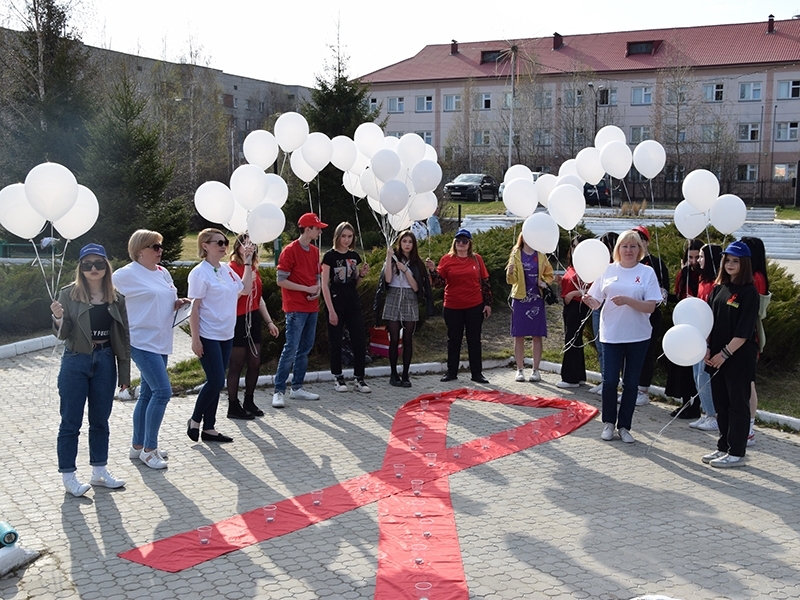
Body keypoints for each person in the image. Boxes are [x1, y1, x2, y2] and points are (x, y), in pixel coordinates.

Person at [51, 243, 130, 496]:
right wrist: (58, 318)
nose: (93, 269)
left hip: (105, 360)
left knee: (100, 421)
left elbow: (123, 337)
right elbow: (63, 334)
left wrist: (125, 374)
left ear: (106, 267)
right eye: (87, 265)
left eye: (98, 264)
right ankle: (69, 476)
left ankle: (99, 471)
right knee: (70, 421)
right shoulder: (68, 294)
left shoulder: (117, 298)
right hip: (76, 360)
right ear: (81, 268)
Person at [113, 230, 188, 469]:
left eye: (160, 246)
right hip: (140, 340)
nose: (160, 250)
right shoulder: (125, 275)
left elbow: (165, 297)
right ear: (139, 251)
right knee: (162, 392)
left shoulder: (163, 273)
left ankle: (138, 446)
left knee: (147, 394)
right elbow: (102, 296)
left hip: (161, 339)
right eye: (155, 247)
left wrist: (177, 303)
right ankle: (149, 450)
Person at [583, 230, 662, 443]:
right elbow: (598, 301)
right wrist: (590, 301)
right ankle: (609, 423)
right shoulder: (606, 270)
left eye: (633, 246)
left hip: (638, 335)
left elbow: (650, 307)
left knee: (631, 383)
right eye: (624, 246)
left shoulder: (647, 273)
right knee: (609, 382)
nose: (628, 250)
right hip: (611, 334)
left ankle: (625, 426)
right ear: (618, 249)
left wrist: (628, 300)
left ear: (640, 250)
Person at [187, 229, 253, 443]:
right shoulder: (199, 273)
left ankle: (210, 428)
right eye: (218, 242)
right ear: (205, 246)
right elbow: (194, 308)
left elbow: (245, 289)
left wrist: (249, 263)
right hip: (208, 334)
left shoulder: (226, 269)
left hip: (226, 333)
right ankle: (195, 419)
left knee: (215, 381)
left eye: (225, 242)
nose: (224, 246)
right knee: (216, 381)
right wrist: (195, 339)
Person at [702, 241, 759, 468]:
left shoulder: (749, 292)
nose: (730, 264)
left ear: (744, 264)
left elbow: (744, 332)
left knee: (737, 405)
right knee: (721, 405)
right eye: (727, 260)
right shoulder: (718, 289)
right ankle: (723, 446)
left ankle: (737, 452)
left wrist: (724, 354)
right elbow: (708, 322)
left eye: (735, 261)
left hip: (736, 358)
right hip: (715, 357)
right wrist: (707, 348)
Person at [272, 213, 326, 408]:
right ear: (308, 228)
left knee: (305, 348)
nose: (320, 231)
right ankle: (279, 390)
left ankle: (297, 388)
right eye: (317, 228)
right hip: (295, 308)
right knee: (291, 347)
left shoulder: (314, 251)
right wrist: (306, 289)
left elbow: (316, 274)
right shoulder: (290, 251)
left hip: (311, 306)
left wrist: (317, 289)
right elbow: (281, 280)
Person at [426, 229, 492, 383]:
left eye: (465, 241)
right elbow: (439, 283)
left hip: (474, 305)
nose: (461, 244)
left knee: (474, 340)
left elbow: (485, 281)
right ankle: (451, 372)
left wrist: (488, 303)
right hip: (452, 306)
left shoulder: (477, 259)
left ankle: (477, 373)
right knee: (453, 339)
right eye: (458, 241)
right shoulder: (446, 260)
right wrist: (432, 271)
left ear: (470, 244)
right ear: (454, 243)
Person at [226, 233, 280, 419]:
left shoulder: (254, 268)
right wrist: (247, 266)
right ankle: (233, 404)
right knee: (237, 364)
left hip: (253, 317)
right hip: (238, 320)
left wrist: (269, 321)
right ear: (237, 246)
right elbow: (242, 291)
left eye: (252, 244)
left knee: (255, 362)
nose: (249, 247)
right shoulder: (232, 268)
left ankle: (249, 399)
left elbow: (258, 297)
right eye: (245, 244)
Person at [376, 230, 433, 387]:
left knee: (408, 338)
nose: (407, 245)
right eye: (404, 241)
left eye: (410, 242)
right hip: (394, 296)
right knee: (394, 338)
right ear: (399, 243)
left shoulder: (417, 264)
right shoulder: (393, 260)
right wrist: (388, 258)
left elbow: (416, 287)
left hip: (409, 298)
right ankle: (393, 374)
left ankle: (406, 374)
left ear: (413, 245)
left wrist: (406, 270)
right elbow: (387, 280)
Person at [321, 222, 371, 393]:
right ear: (337, 236)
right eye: (344, 236)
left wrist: (362, 275)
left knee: (359, 339)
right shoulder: (329, 256)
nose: (346, 240)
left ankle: (359, 378)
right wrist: (331, 310)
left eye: (350, 236)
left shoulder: (354, 256)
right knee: (336, 341)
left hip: (352, 302)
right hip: (335, 301)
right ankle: (337, 376)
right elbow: (324, 284)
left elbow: (354, 282)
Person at [506, 232, 554, 382]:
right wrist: (510, 272)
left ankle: (535, 370)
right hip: (520, 299)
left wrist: (544, 282)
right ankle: (519, 369)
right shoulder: (515, 253)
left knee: (537, 335)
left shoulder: (541, 255)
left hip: (537, 299)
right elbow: (511, 280)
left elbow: (550, 274)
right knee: (518, 335)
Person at [665, 239, 702, 420]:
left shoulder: (704, 277)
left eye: (697, 257)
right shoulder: (683, 274)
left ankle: (697, 406)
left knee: (695, 371)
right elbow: (680, 297)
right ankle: (685, 403)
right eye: (690, 257)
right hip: (682, 326)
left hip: (699, 327)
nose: (693, 261)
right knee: (682, 369)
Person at [633, 225, 669, 406]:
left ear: (646, 242)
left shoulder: (656, 264)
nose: (635, 247)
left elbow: (663, 293)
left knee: (646, 353)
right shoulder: (628, 264)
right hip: (630, 316)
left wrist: (645, 303)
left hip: (649, 315)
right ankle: (630, 388)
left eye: (639, 241)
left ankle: (643, 390)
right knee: (629, 353)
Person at [741, 236, 770, 446]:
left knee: (748, 383)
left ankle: (750, 426)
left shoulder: (756, 278)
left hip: (748, 336)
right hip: (742, 334)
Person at [690, 243, 723, 432]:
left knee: (704, 377)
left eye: (701, 256)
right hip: (697, 333)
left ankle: (714, 415)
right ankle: (706, 412)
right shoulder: (702, 280)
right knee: (697, 376)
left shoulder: (715, 285)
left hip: (708, 336)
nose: (698, 260)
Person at [558, 235, 591, 388]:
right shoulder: (572, 266)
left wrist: (574, 294)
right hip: (569, 306)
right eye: (573, 246)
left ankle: (570, 378)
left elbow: (592, 286)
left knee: (571, 338)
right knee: (575, 339)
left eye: (578, 246)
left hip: (578, 305)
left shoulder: (587, 266)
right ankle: (579, 376)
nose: (575, 249)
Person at [589, 231, 618, 395]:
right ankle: (604, 378)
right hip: (597, 307)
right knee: (600, 345)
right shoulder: (599, 265)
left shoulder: (618, 267)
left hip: (612, 308)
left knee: (611, 347)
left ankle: (612, 380)